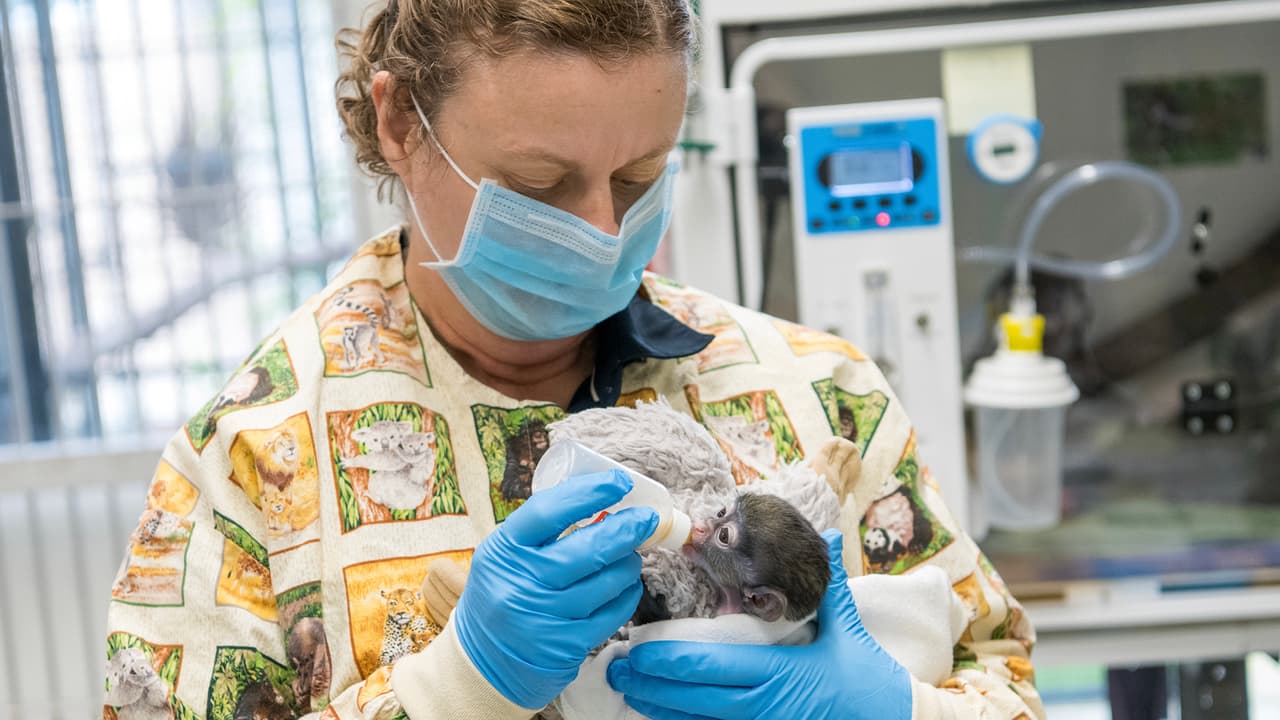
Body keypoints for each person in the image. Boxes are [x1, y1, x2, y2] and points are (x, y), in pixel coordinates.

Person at [101, 1, 1044, 719]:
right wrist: (459, 684)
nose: (602, 231)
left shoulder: (817, 394)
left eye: (638, 178)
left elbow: (1007, 685)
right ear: (399, 124)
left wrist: (890, 710)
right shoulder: (255, 455)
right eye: (539, 186)